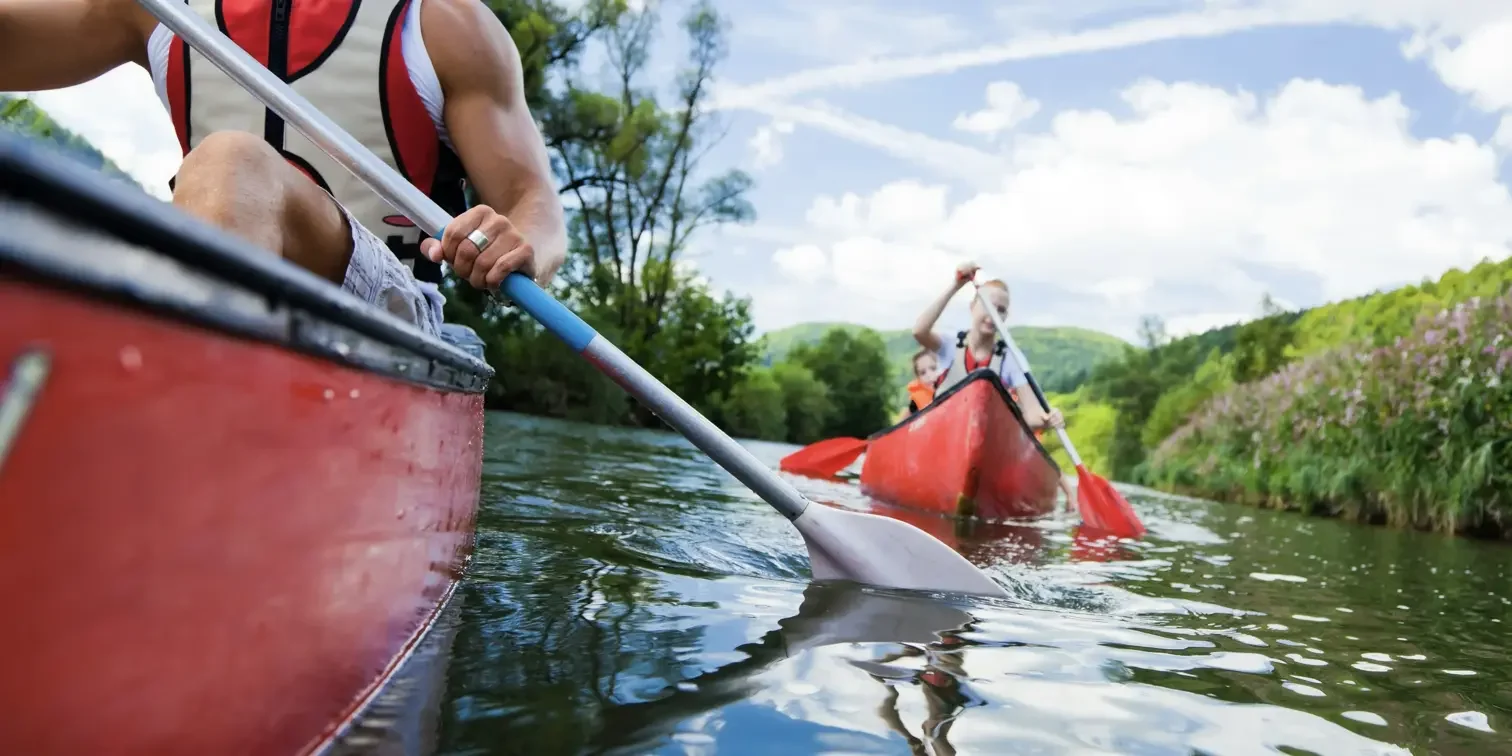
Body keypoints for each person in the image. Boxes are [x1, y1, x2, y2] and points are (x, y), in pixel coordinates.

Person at [0, 0, 567, 338]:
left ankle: (167, 409)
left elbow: (534, 204)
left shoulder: (447, 24)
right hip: (198, 274)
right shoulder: (155, 9)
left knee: (232, 161)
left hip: (387, 311)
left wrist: (521, 246)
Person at [913, 261, 1077, 505]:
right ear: (973, 307)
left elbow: (1032, 416)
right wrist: (955, 285)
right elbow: (919, 331)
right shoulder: (950, 346)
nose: (993, 315)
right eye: (988, 306)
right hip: (943, 441)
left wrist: (1049, 418)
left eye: (1001, 311)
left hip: (988, 452)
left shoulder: (1009, 359)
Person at [904, 349, 942, 415]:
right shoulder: (915, 403)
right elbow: (905, 422)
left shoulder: (952, 385)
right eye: (923, 373)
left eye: (933, 368)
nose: (929, 375)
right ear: (918, 378)